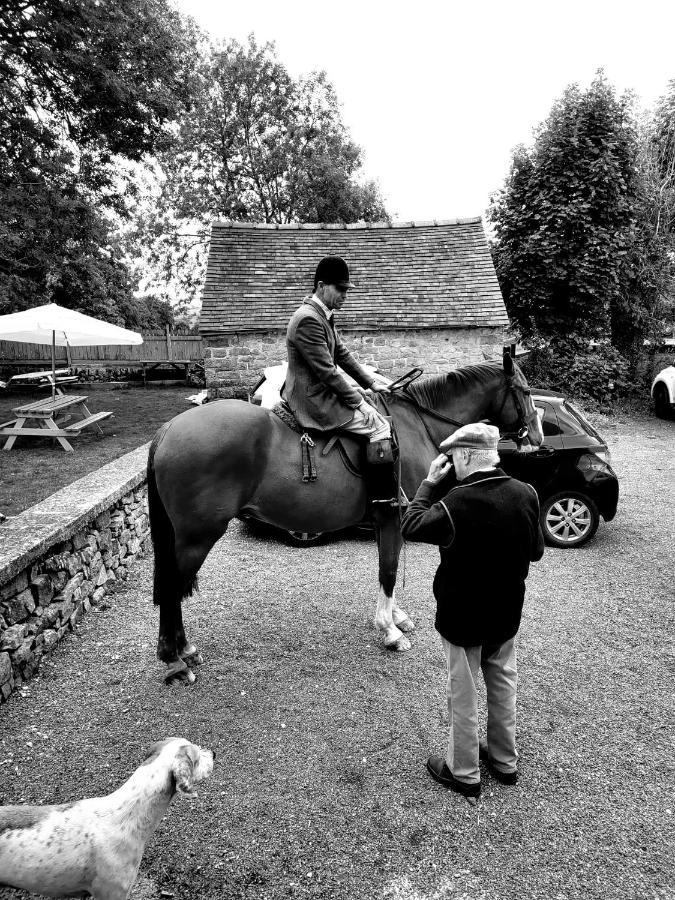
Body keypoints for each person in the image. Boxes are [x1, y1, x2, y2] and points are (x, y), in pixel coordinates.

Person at [401, 422, 545, 798]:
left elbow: (411, 526)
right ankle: (503, 761)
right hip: (506, 613)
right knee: (503, 685)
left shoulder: (455, 503)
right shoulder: (526, 493)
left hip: (462, 616)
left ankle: (463, 771)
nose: (451, 464)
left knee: (462, 693)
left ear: (464, 455)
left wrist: (430, 484)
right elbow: (536, 552)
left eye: (452, 457)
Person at [282, 255, 397, 502]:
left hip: (320, 389)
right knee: (379, 425)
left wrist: (371, 383)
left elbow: (341, 353)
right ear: (321, 286)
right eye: (340, 289)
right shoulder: (308, 319)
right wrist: (359, 402)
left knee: (372, 405)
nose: (345, 295)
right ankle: (382, 501)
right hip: (312, 398)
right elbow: (327, 372)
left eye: (347, 289)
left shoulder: (322, 313)